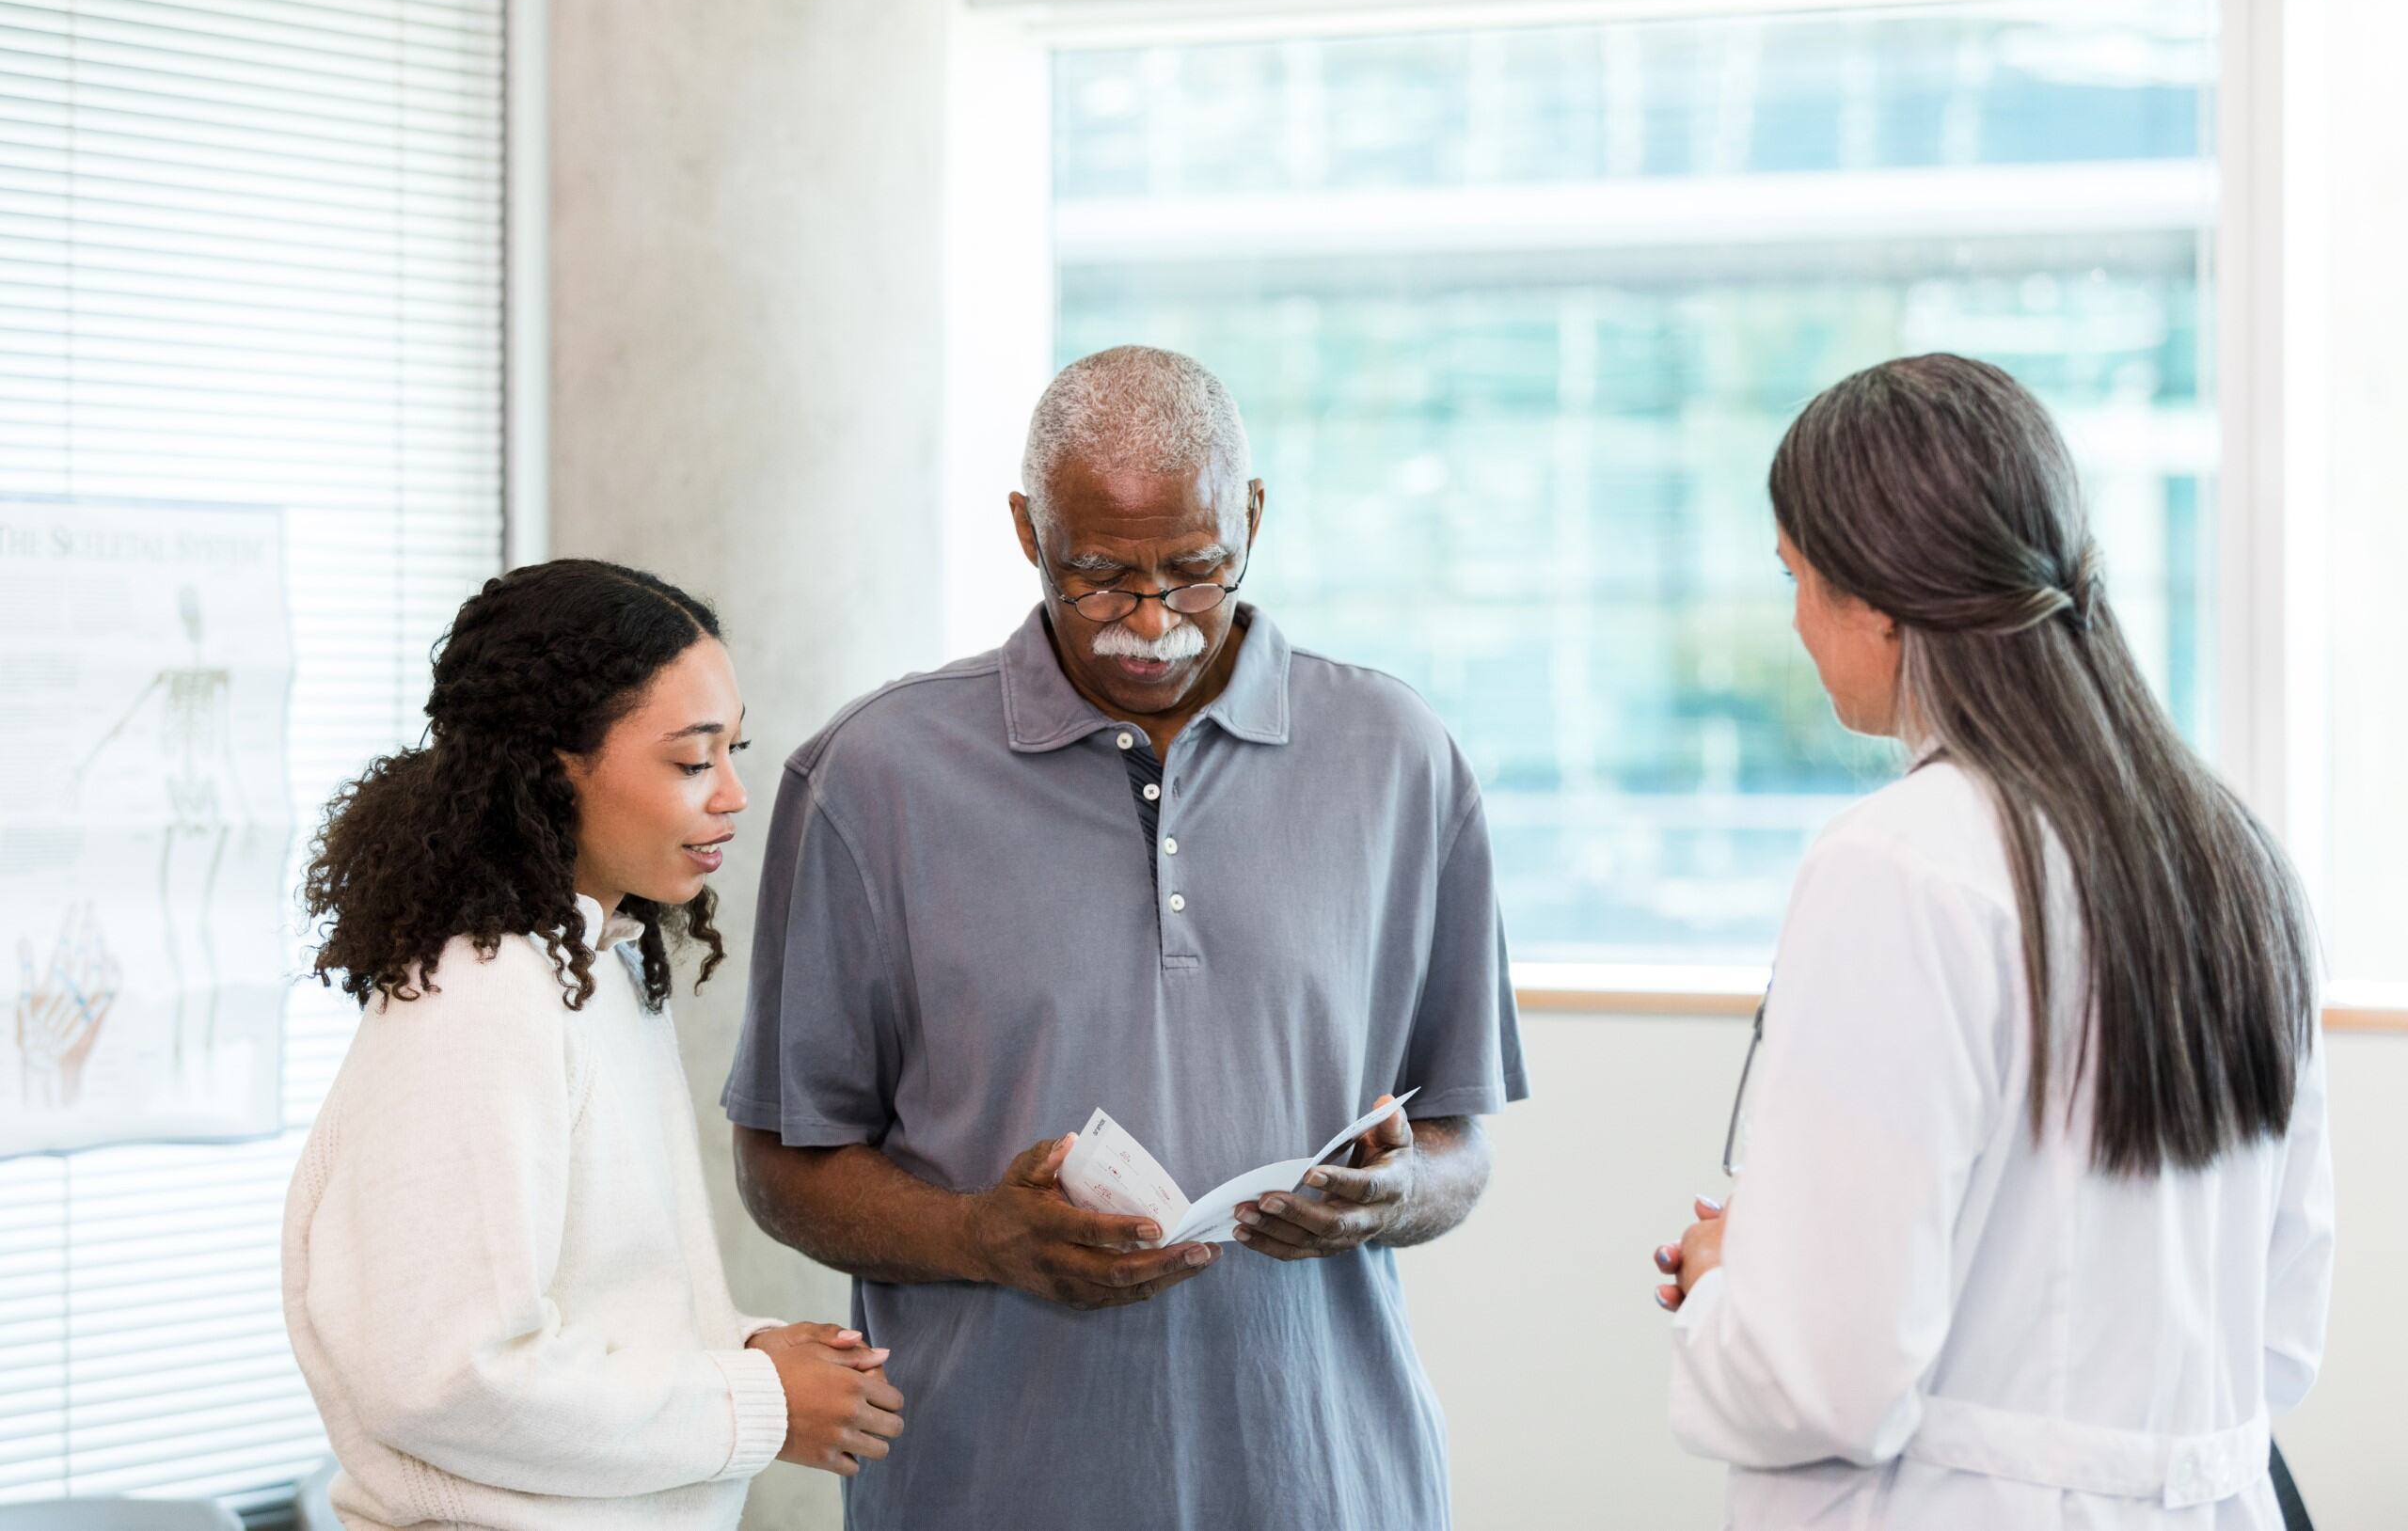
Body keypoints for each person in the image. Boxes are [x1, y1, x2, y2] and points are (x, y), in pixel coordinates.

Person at [723, 346, 1528, 1530]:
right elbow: (783, 1163)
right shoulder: (870, 776)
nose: (1147, 624)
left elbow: (1459, 1137)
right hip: (987, 1486)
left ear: (1250, 520)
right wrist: (979, 1235)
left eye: (1194, 571)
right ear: (1025, 532)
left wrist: (1395, 1192)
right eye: (1095, 576)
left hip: (1330, 1481)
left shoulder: (1402, 757)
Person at [1651, 355, 2334, 1527]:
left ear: (1874, 598)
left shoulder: (1903, 863)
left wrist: (1727, 1288)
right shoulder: (2236, 858)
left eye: (1797, 579)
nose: (1799, 624)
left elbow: (1821, 1383)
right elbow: (2278, 1329)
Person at [281, 560, 905, 1530]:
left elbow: (586, 1311)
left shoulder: (596, 963)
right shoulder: (480, 993)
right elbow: (447, 1375)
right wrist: (753, 1397)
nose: (735, 793)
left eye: (733, 749)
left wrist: (750, 1349)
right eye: (694, 760)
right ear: (554, 766)